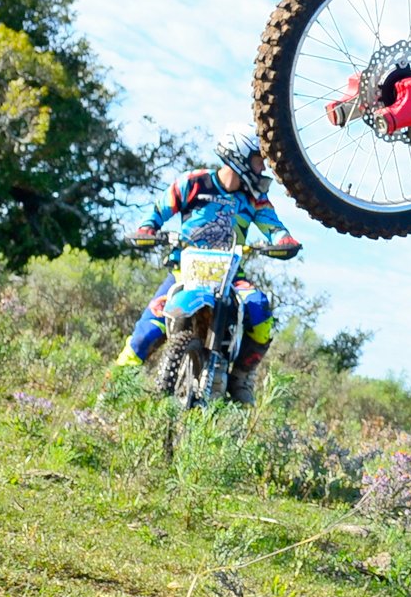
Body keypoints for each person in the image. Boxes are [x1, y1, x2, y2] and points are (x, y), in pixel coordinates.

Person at [114, 123, 301, 403]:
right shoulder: (193, 182)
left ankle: (241, 377)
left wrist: (284, 241)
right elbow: (157, 211)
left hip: (230, 276)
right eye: (257, 159)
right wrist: (147, 229)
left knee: (259, 308)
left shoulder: (255, 198)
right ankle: (111, 390)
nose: (262, 167)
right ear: (239, 156)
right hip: (185, 272)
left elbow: (274, 227)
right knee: (148, 330)